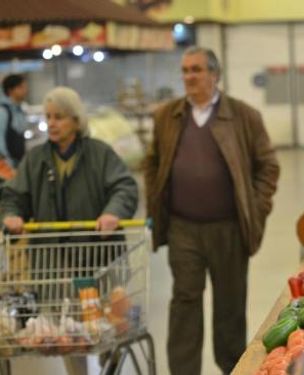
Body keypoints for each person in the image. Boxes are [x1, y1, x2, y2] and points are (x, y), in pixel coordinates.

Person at [144, 47, 280, 375]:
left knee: (230, 307)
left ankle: (234, 368)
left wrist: (256, 207)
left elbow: (268, 167)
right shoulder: (167, 116)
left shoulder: (244, 116)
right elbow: (152, 163)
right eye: (185, 70)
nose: (189, 76)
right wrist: (155, 204)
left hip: (229, 228)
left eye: (196, 70)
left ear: (214, 75)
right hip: (183, 228)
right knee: (184, 303)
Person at [0, 86, 139, 375]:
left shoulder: (100, 155)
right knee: (68, 333)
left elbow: (124, 187)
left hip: (97, 259)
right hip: (53, 264)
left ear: (76, 121)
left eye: (59, 117)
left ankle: (108, 359)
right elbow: (14, 195)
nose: (51, 123)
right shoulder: (35, 159)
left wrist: (113, 212)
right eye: (49, 117)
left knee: (105, 326)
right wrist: (12, 215)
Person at [0, 74, 29, 167]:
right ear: (10, 90)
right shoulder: (3, 112)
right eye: (21, 87)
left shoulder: (20, 111)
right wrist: (8, 165)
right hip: (8, 168)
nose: (25, 91)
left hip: (19, 165)